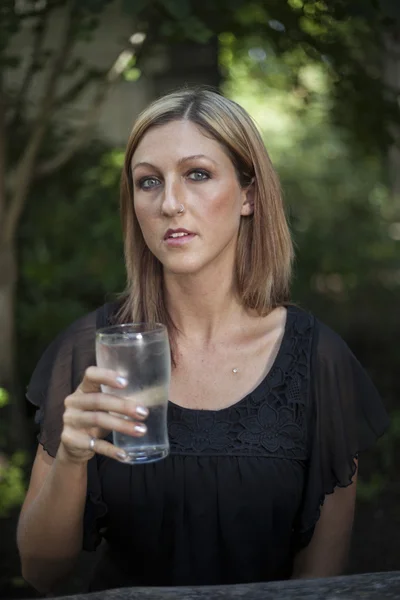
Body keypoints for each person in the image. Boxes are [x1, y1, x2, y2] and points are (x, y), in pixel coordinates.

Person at [17, 87, 389, 594]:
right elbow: (40, 572)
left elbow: (319, 580)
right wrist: (72, 459)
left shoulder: (316, 360)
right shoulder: (92, 350)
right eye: (149, 182)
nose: (170, 203)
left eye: (197, 174)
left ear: (249, 195)